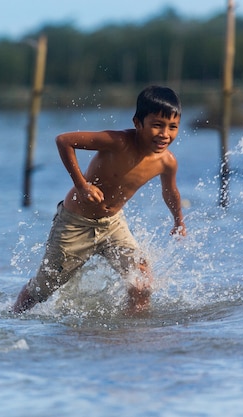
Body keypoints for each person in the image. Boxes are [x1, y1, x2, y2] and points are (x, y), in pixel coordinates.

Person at [13, 85, 186, 314]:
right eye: (157, 125)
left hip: (113, 225)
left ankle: (132, 332)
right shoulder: (118, 142)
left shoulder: (167, 161)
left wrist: (178, 221)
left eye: (172, 127)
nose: (165, 134)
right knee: (44, 287)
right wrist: (82, 186)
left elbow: (170, 191)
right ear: (137, 123)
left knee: (142, 282)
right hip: (75, 223)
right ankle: (13, 316)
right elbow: (64, 141)